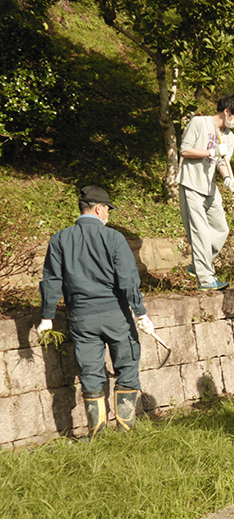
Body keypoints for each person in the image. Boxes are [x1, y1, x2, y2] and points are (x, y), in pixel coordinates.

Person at [38, 186, 153, 438]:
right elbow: (127, 279)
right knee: (127, 367)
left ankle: (97, 434)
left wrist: (47, 317)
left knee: (90, 372)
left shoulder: (60, 239)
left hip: (81, 318)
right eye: (108, 210)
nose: (108, 215)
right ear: (99, 209)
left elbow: (51, 281)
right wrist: (141, 313)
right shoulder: (114, 238)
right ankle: (126, 430)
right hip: (117, 317)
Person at [178, 94, 234, 290]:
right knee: (200, 232)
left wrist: (227, 177)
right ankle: (206, 279)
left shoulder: (229, 137)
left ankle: (197, 265)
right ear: (227, 111)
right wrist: (211, 152)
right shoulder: (199, 123)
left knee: (221, 229)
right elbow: (184, 151)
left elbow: (222, 162)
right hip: (191, 182)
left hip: (210, 186)